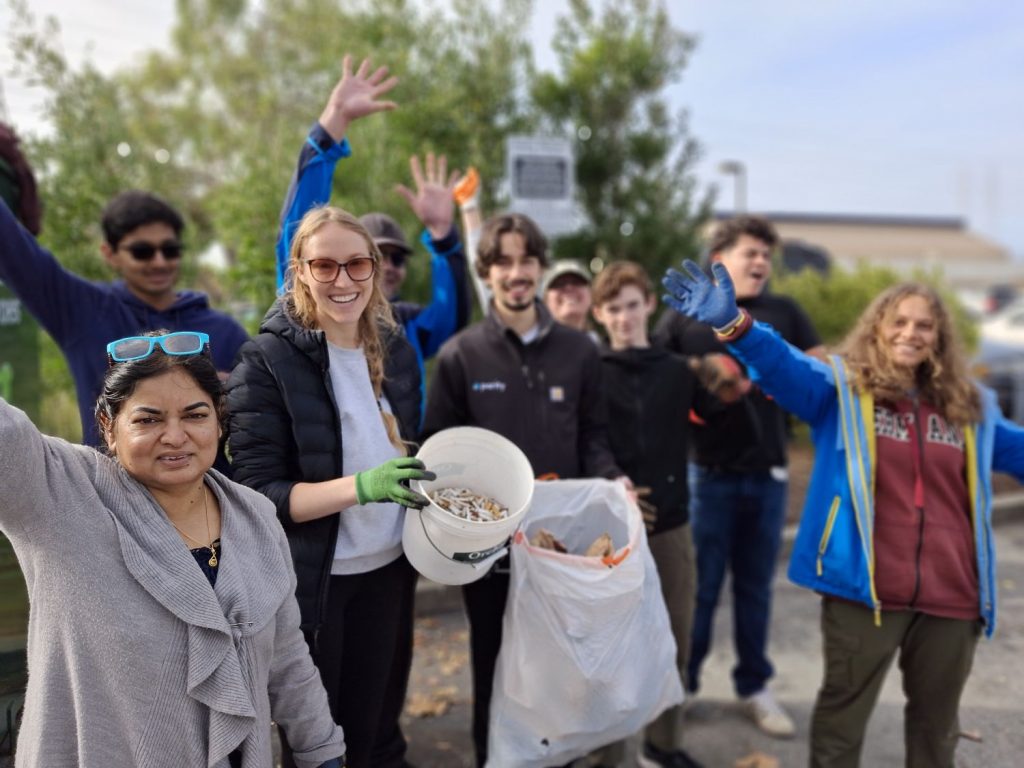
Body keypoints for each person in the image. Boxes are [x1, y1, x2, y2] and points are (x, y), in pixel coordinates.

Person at [663, 267, 1024, 767]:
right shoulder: (842, 389)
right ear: (877, 328)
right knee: (840, 725)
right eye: (898, 322)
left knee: (936, 734)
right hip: (864, 589)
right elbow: (785, 367)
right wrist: (736, 325)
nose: (910, 334)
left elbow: (1020, 453)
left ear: (940, 337)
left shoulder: (971, 405)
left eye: (924, 325)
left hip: (952, 596)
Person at [0, 330, 345, 767]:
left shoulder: (255, 516)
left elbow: (288, 661)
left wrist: (323, 753)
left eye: (195, 415)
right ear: (109, 426)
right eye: (148, 419)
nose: (175, 436)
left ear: (219, 419)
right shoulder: (60, 496)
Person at [226, 206, 434, 768]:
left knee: (375, 727)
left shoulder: (395, 351)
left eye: (357, 265)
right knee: (320, 744)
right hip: (318, 586)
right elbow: (256, 493)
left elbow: (416, 447)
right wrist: (360, 487)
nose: (342, 281)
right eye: (325, 266)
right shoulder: (265, 361)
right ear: (299, 272)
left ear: (374, 269)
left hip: (390, 570)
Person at [422, 212, 625, 767]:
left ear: (539, 266)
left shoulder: (580, 351)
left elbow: (594, 436)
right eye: (503, 262)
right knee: (495, 665)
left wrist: (614, 480)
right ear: (486, 272)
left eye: (526, 260)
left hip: (562, 545)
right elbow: (438, 449)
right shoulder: (462, 355)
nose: (517, 273)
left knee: (564, 670)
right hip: (489, 550)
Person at [654, 215, 822, 737]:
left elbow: (818, 370)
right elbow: (652, 379)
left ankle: (753, 686)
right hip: (707, 475)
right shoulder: (684, 316)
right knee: (699, 591)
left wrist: (779, 365)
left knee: (755, 590)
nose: (761, 263)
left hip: (768, 475)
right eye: (750, 252)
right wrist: (701, 372)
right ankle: (683, 687)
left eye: (767, 256)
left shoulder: (785, 311)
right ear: (718, 258)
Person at [589, 261, 750, 768]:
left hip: (673, 521)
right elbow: (587, 438)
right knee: (610, 651)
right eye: (613, 309)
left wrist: (724, 374)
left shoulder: (678, 369)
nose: (623, 317)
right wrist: (612, 477)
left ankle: (663, 745)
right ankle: (608, 753)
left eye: (632, 305)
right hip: (611, 527)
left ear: (649, 306)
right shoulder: (592, 371)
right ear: (599, 315)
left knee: (673, 640)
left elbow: (729, 416)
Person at [275, 55, 471, 390]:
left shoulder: (406, 326)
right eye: (376, 257)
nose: (389, 266)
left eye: (398, 258)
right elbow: (300, 230)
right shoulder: (306, 312)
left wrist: (442, 236)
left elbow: (450, 315)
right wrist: (331, 126)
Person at [0, 190, 248, 448]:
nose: (160, 261)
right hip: (107, 486)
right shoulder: (82, 310)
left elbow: (262, 418)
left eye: (170, 250)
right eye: (142, 252)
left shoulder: (224, 330)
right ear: (110, 254)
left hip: (202, 484)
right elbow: (12, 248)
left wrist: (228, 392)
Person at [543, 258, 596, 336]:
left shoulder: (602, 346)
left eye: (577, 282)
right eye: (559, 284)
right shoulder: (531, 346)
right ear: (545, 300)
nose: (569, 288)